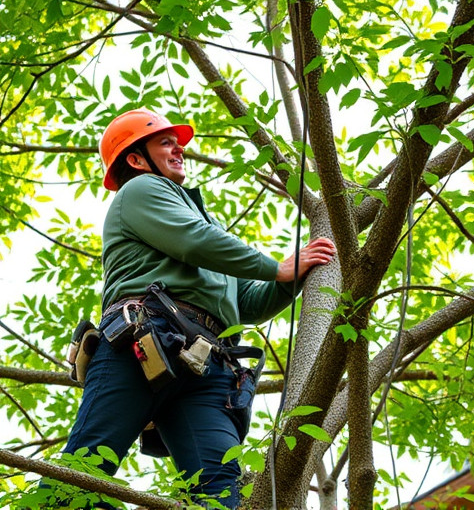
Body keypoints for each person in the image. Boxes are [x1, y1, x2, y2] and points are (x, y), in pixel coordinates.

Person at [62, 108, 336, 509]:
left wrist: (296, 275)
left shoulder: (205, 223)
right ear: (137, 159)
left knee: (221, 483)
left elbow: (247, 304)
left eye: (179, 144)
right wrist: (276, 266)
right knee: (86, 468)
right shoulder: (141, 191)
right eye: (165, 143)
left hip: (206, 363)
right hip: (141, 341)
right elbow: (194, 241)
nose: (179, 150)